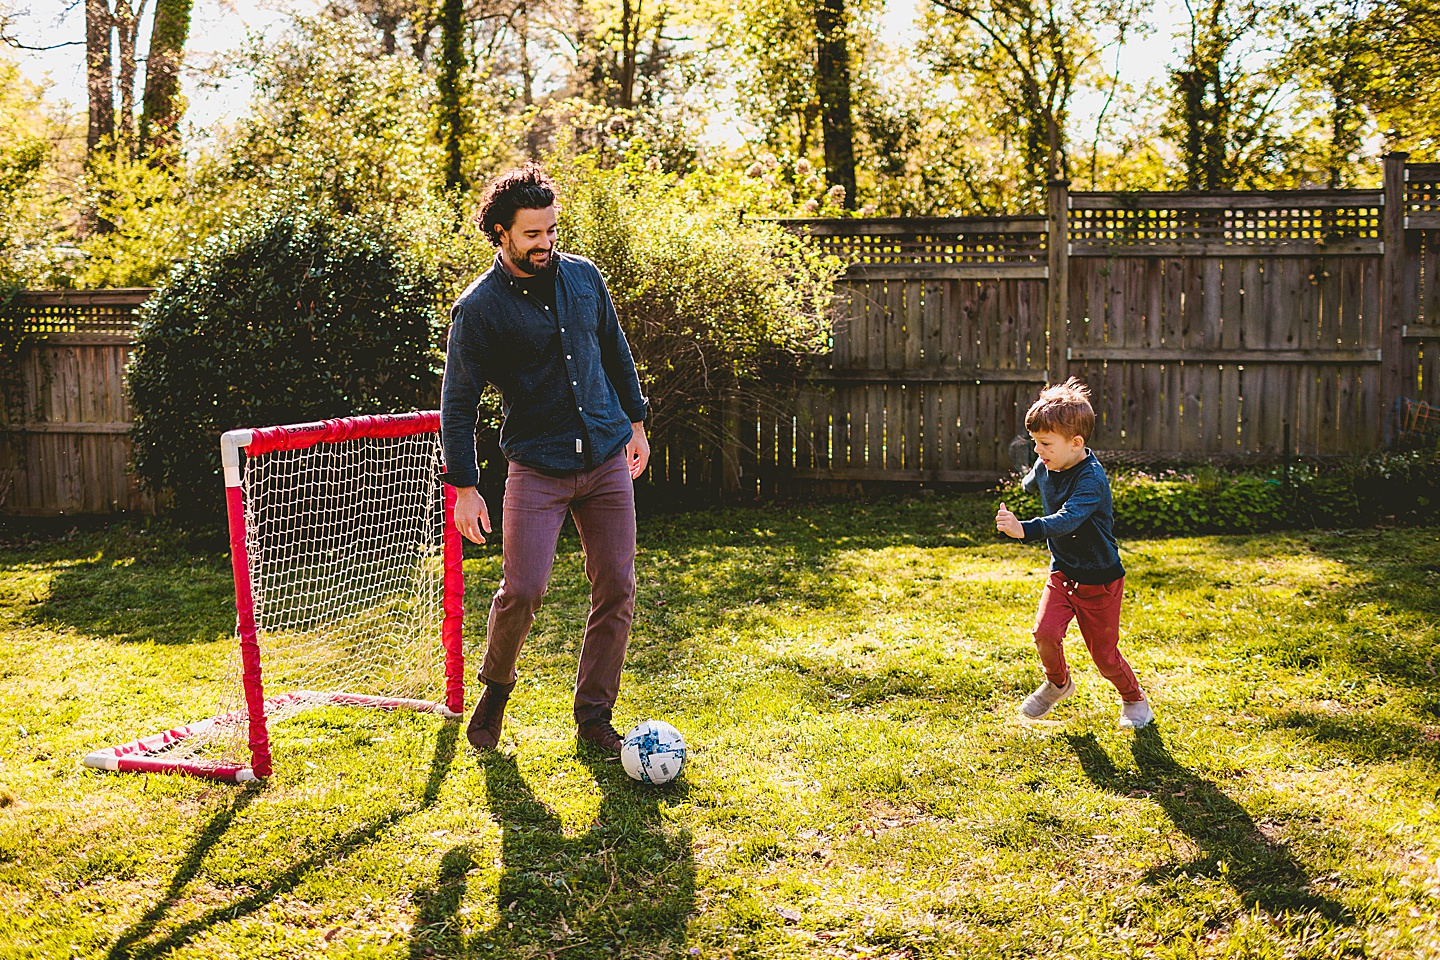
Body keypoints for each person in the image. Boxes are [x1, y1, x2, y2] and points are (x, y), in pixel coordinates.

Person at [440, 163, 651, 756]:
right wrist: (465, 487)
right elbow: (456, 404)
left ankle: (594, 717)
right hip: (537, 465)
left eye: (552, 230)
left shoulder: (585, 279)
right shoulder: (478, 310)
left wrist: (635, 424)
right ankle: (495, 689)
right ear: (501, 234)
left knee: (617, 586)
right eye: (533, 234)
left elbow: (615, 350)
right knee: (524, 590)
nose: (546, 243)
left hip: (606, 455)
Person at [994, 378, 1154, 729]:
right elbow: (1038, 473)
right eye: (1035, 442)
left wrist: (1026, 528)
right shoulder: (1048, 462)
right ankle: (1058, 683)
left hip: (1100, 579)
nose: (1038, 451)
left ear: (1076, 443)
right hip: (1063, 571)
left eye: (1045, 443)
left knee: (1105, 657)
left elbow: (1069, 520)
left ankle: (1134, 700)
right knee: (1044, 633)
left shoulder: (1091, 480)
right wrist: (1027, 482)